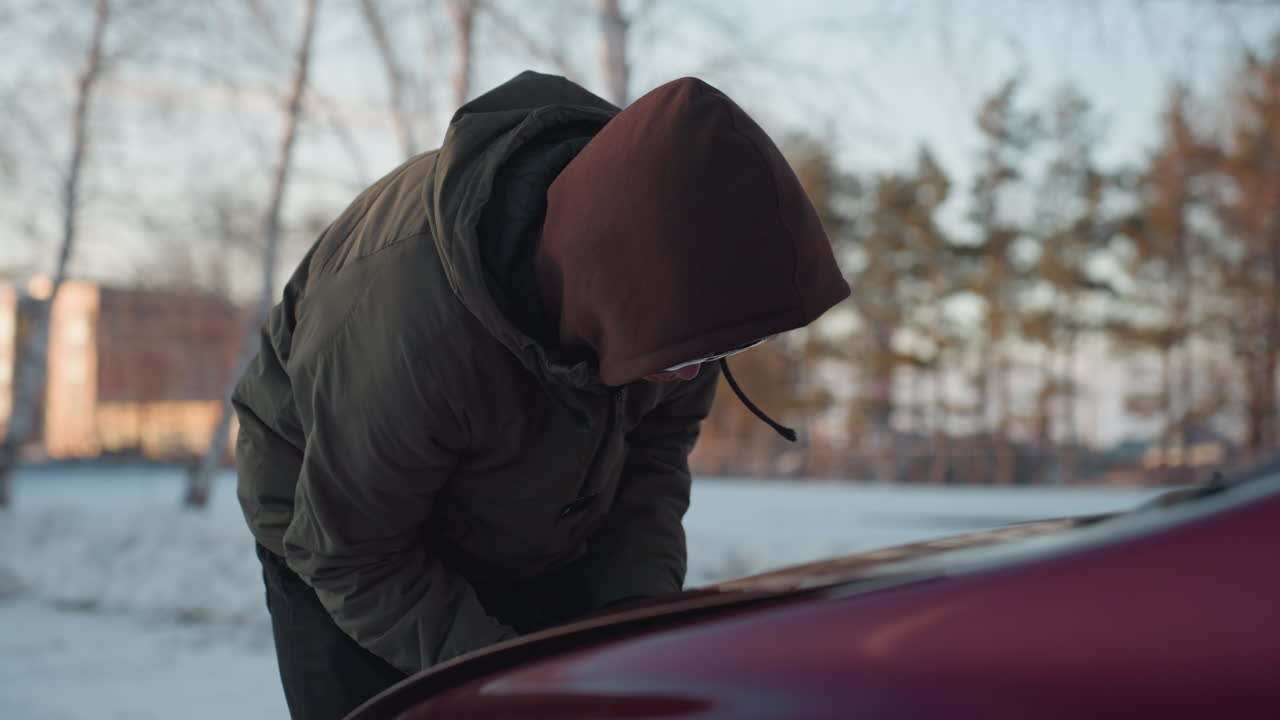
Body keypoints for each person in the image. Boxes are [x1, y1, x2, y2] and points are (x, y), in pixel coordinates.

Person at [233, 71, 849, 720]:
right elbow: (352, 553)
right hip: (345, 540)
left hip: (535, 514)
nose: (692, 375)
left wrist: (628, 627)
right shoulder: (412, 327)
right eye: (686, 353)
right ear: (607, 289)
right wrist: (520, 683)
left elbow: (651, 466)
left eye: (713, 354)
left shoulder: (674, 307)